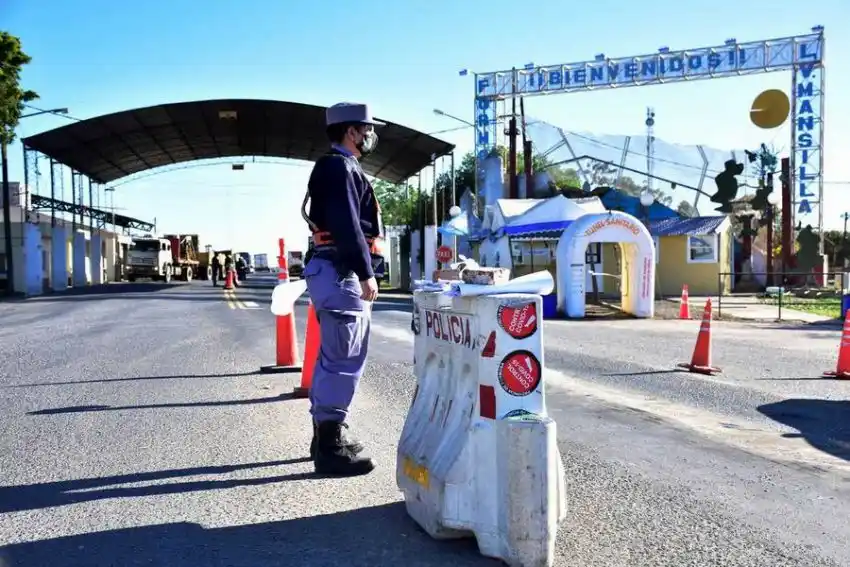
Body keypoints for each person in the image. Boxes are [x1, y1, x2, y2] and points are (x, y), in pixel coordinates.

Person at [300, 102, 385, 476]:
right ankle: (330, 448)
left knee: (336, 356)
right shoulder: (338, 167)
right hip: (340, 270)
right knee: (343, 358)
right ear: (351, 132)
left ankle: (326, 437)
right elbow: (348, 224)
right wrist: (365, 271)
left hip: (335, 269)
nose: (370, 136)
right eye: (366, 129)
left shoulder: (340, 168)